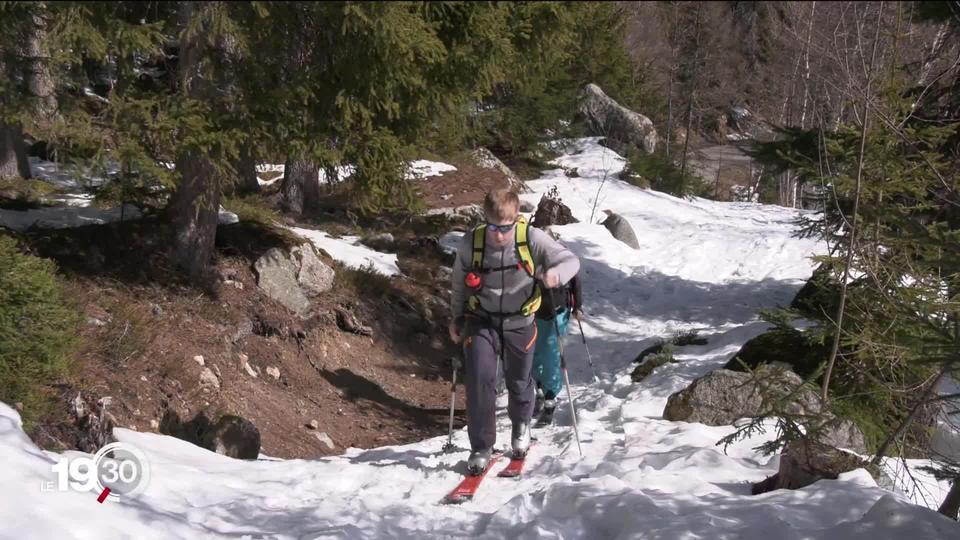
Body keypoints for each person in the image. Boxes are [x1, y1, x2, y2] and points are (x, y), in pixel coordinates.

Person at [449, 188, 580, 474]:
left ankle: (521, 426)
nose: (499, 235)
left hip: (521, 321)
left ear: (516, 219)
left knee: (519, 381)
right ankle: (481, 446)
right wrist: (456, 317)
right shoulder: (473, 243)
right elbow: (458, 282)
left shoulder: (530, 238)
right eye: (493, 226)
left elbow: (571, 261)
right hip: (482, 319)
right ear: (485, 219)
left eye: (505, 228)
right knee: (480, 380)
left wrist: (555, 275)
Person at [532, 271, 582, 423]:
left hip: (558, 310)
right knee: (535, 352)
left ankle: (550, 397)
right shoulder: (530, 251)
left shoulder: (562, 254)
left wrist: (577, 306)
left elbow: (575, 279)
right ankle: (540, 388)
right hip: (533, 311)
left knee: (551, 353)